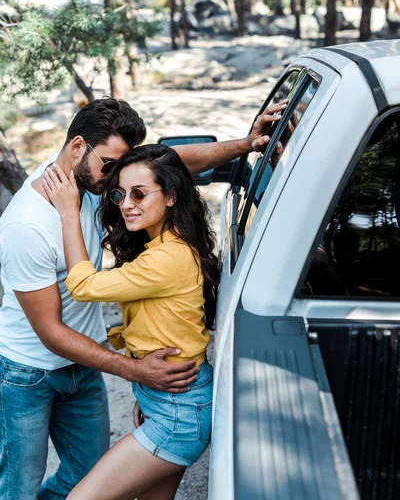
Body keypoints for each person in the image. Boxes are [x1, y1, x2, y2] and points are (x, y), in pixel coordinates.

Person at [0, 96, 286, 500]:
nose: (119, 187)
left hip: (85, 369)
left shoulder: (99, 173)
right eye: (112, 170)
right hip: (30, 373)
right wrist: (136, 374)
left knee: (81, 480)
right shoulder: (27, 226)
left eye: (126, 175)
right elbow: (50, 331)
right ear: (77, 147)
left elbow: (163, 166)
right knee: (19, 489)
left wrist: (244, 145)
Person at [43, 144, 218, 500]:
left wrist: (68, 212)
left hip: (179, 415)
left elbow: (82, 285)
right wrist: (147, 389)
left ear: (170, 196)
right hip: (171, 400)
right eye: (120, 193)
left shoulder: (168, 259)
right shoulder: (164, 248)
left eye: (139, 193)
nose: (125, 204)